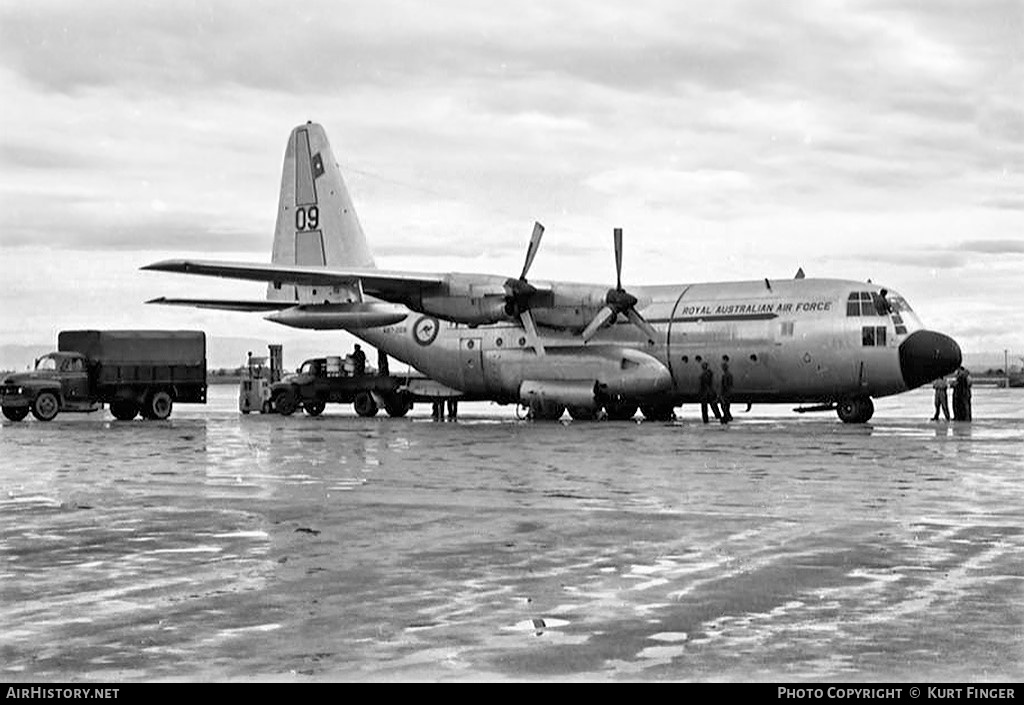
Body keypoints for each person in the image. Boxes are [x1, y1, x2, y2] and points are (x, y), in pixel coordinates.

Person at [719, 360, 734, 424]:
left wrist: (721, 394)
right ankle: (727, 416)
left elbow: (724, 385)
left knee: (723, 406)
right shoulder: (730, 375)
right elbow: (731, 384)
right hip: (729, 392)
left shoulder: (725, 375)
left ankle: (727, 416)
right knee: (727, 405)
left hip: (725, 393)